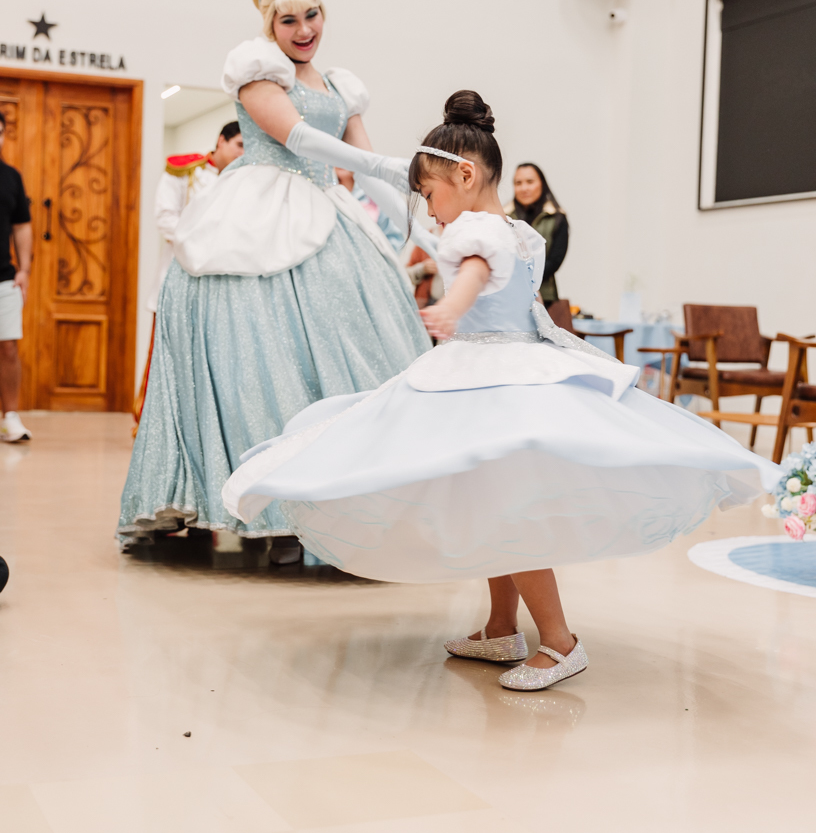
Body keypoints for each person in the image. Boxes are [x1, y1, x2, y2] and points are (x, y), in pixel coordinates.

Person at [222, 90, 781, 691]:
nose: (431, 213)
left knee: (511, 508)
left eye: (431, 196)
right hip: (508, 365)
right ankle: (499, 627)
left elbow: (475, 276)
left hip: (489, 373)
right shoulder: (519, 231)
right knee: (492, 499)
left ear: (463, 176)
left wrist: (449, 308)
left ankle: (560, 642)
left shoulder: (475, 234)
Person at [119, 0, 430, 547]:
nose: (304, 29)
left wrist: (426, 231)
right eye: (288, 20)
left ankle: (356, 501)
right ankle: (280, 508)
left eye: (312, 15)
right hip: (259, 211)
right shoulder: (259, 70)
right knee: (260, 361)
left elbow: (370, 179)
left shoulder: (340, 84)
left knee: (361, 343)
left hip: (329, 215)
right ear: (270, 26)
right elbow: (299, 137)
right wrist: (384, 163)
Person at [133, 123, 244, 429]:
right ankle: (150, 424)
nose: (242, 154)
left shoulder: (245, 181)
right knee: (165, 357)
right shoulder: (185, 171)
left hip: (223, 284)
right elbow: (165, 218)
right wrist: (208, 242)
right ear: (220, 141)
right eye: (238, 144)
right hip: (179, 276)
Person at [0, 110, 33, 444]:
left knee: (8, 348)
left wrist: (24, 269)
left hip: (4, 279)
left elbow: (22, 227)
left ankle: (10, 418)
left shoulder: (11, 177)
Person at [506, 162, 568, 306]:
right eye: (518, 183)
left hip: (544, 295)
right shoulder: (504, 215)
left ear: (542, 184)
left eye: (530, 182)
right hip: (508, 292)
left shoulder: (557, 217)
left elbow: (555, 260)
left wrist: (526, 278)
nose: (524, 188)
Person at [334, 167, 404, 252]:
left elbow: (394, 239)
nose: (340, 162)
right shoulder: (323, 196)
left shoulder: (374, 194)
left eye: (345, 154)